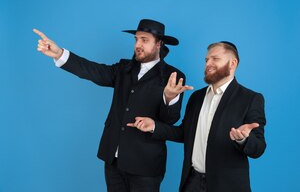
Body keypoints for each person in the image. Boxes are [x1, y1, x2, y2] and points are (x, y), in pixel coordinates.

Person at [33, 19, 193, 192]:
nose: (138, 44)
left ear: (159, 44)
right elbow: (93, 71)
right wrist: (59, 54)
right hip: (113, 160)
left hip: (145, 165)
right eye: (136, 39)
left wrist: (169, 97)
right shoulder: (124, 68)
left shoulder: (172, 75)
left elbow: (169, 120)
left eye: (144, 40)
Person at [128, 41, 267, 192]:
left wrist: (243, 139)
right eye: (206, 60)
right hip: (192, 182)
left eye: (215, 59)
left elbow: (258, 149)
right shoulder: (197, 97)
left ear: (232, 63)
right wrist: (154, 126)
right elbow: (184, 134)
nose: (208, 63)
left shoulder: (250, 98)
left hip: (227, 185)